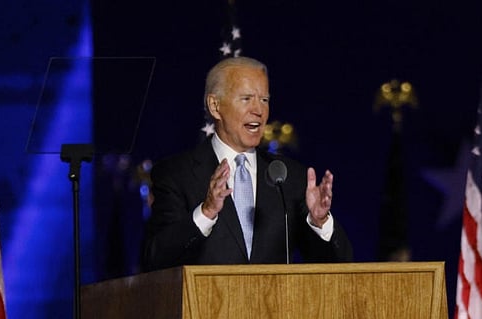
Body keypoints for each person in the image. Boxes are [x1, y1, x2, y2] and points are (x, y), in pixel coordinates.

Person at [141, 56, 353, 272]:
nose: (259, 111)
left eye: (264, 100)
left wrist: (320, 221)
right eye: (246, 98)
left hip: (276, 305)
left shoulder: (289, 177)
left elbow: (339, 265)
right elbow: (156, 258)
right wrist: (206, 213)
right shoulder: (176, 174)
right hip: (205, 305)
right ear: (215, 106)